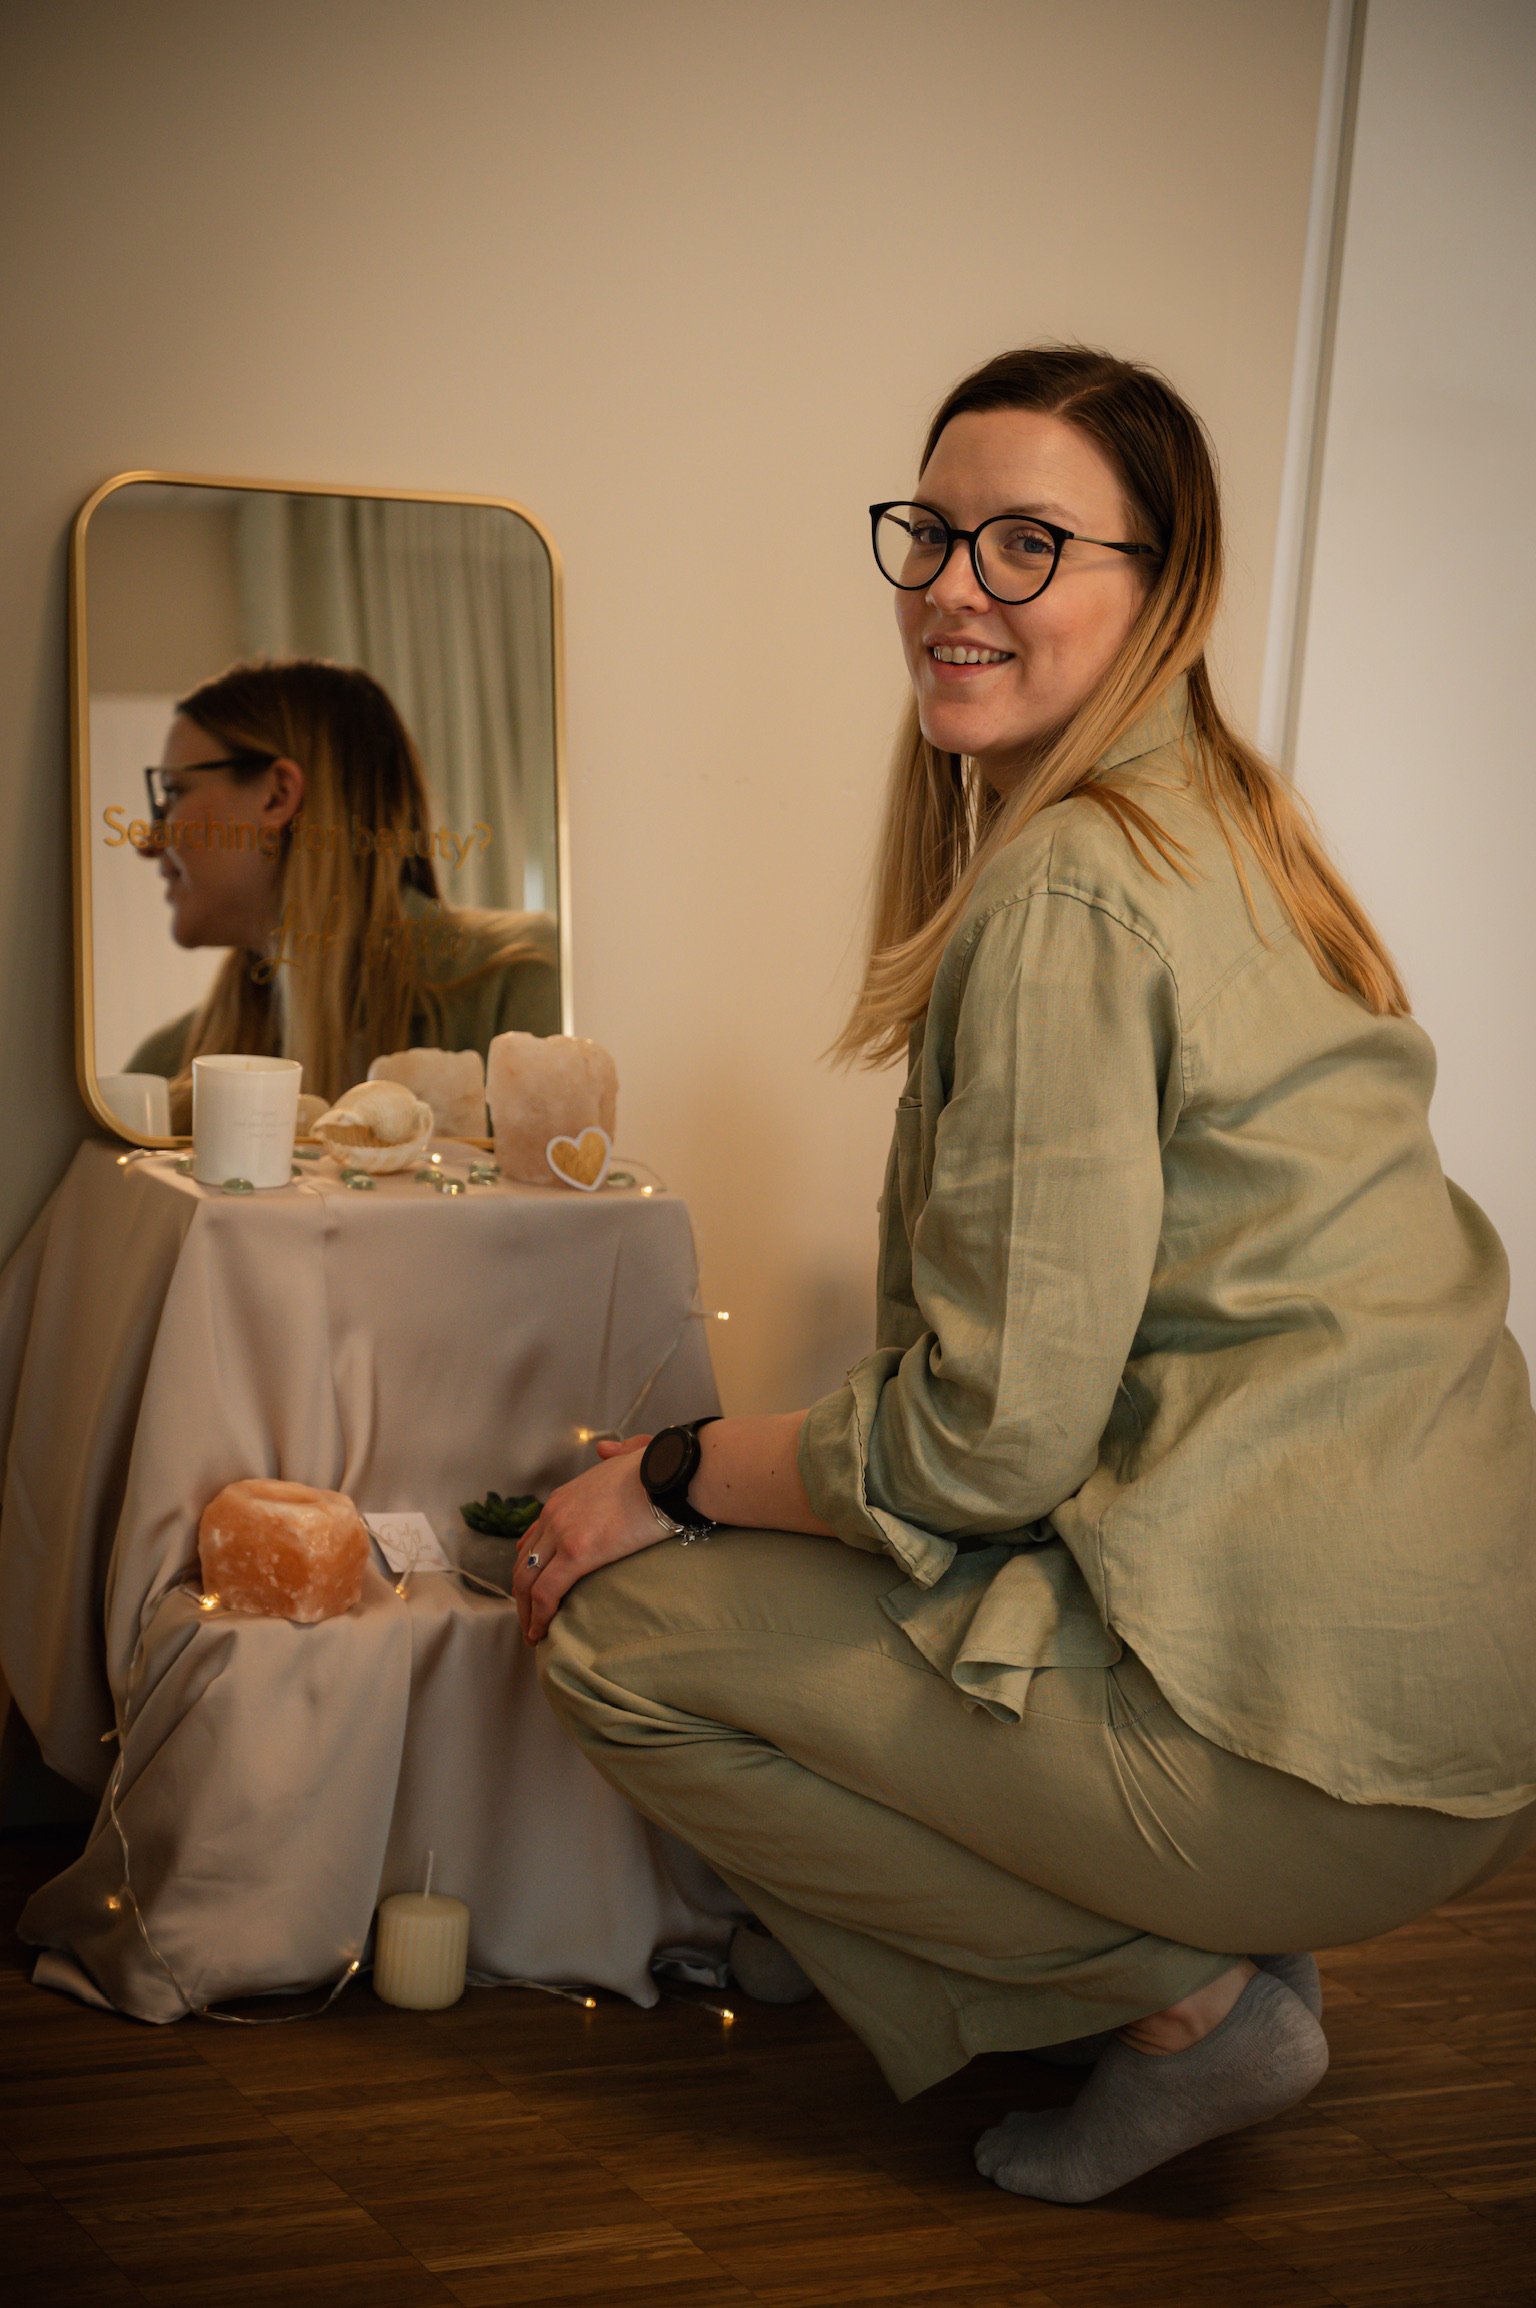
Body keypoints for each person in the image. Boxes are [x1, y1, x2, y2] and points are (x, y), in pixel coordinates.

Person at [513, 347, 1536, 2202]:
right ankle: (1174, 1922)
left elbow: (985, 1447)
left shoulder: (1070, 892)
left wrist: (667, 1469)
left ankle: (1183, 1999)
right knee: (786, 1537)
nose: (951, 587)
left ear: (1167, 585)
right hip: (1443, 1706)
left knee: (611, 1634)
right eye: (933, 532)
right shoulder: (1223, 824)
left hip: (1315, 1752)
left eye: (1028, 543)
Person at [127, 656, 558, 1126]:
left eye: (171, 793)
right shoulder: (166, 1065)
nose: (148, 843)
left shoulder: (521, 983)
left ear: (277, 795)